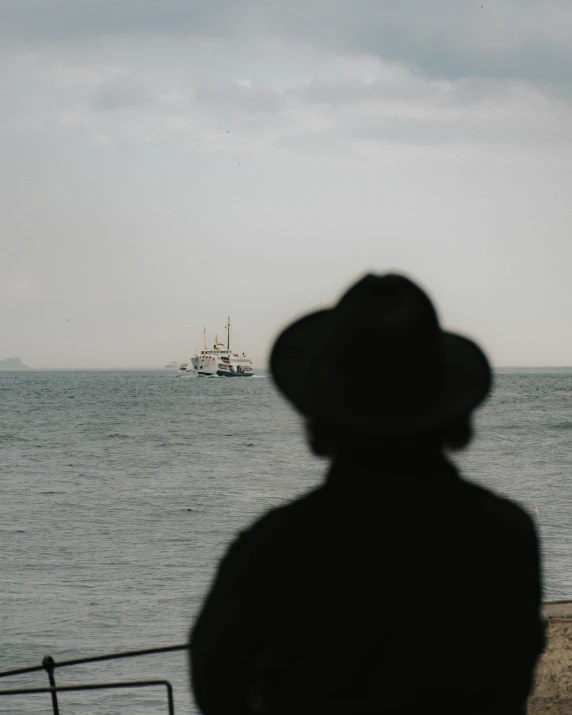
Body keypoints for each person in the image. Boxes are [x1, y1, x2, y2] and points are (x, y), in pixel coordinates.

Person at [189, 273, 545, 714]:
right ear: (448, 405)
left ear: (321, 414)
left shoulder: (273, 548)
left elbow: (215, 685)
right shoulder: (507, 536)